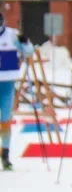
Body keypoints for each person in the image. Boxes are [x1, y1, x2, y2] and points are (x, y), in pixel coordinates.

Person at [0, 11, 35, 171]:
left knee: (6, 119)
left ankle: (5, 154)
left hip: (7, 83)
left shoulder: (12, 35)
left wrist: (25, 41)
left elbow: (29, 52)